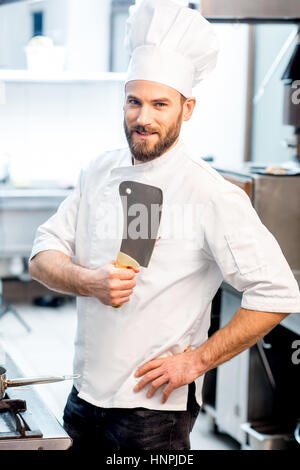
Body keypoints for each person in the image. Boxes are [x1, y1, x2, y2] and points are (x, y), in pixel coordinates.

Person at [28, 0, 300, 451]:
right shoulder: (98, 172)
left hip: (153, 413)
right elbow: (42, 257)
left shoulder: (210, 193)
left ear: (186, 108)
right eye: (134, 101)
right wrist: (87, 281)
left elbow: (278, 292)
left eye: (160, 104)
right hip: (83, 400)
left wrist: (195, 362)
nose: (144, 118)